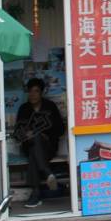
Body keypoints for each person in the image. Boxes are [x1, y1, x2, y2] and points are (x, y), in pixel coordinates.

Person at [14, 78, 65, 208]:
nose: (33, 94)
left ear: (41, 93)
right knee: (33, 146)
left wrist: (45, 135)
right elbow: (16, 133)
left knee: (34, 152)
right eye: (30, 91)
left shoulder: (50, 106)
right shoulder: (24, 109)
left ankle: (36, 193)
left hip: (48, 147)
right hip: (28, 145)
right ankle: (47, 173)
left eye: (36, 91)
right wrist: (26, 134)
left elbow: (61, 129)